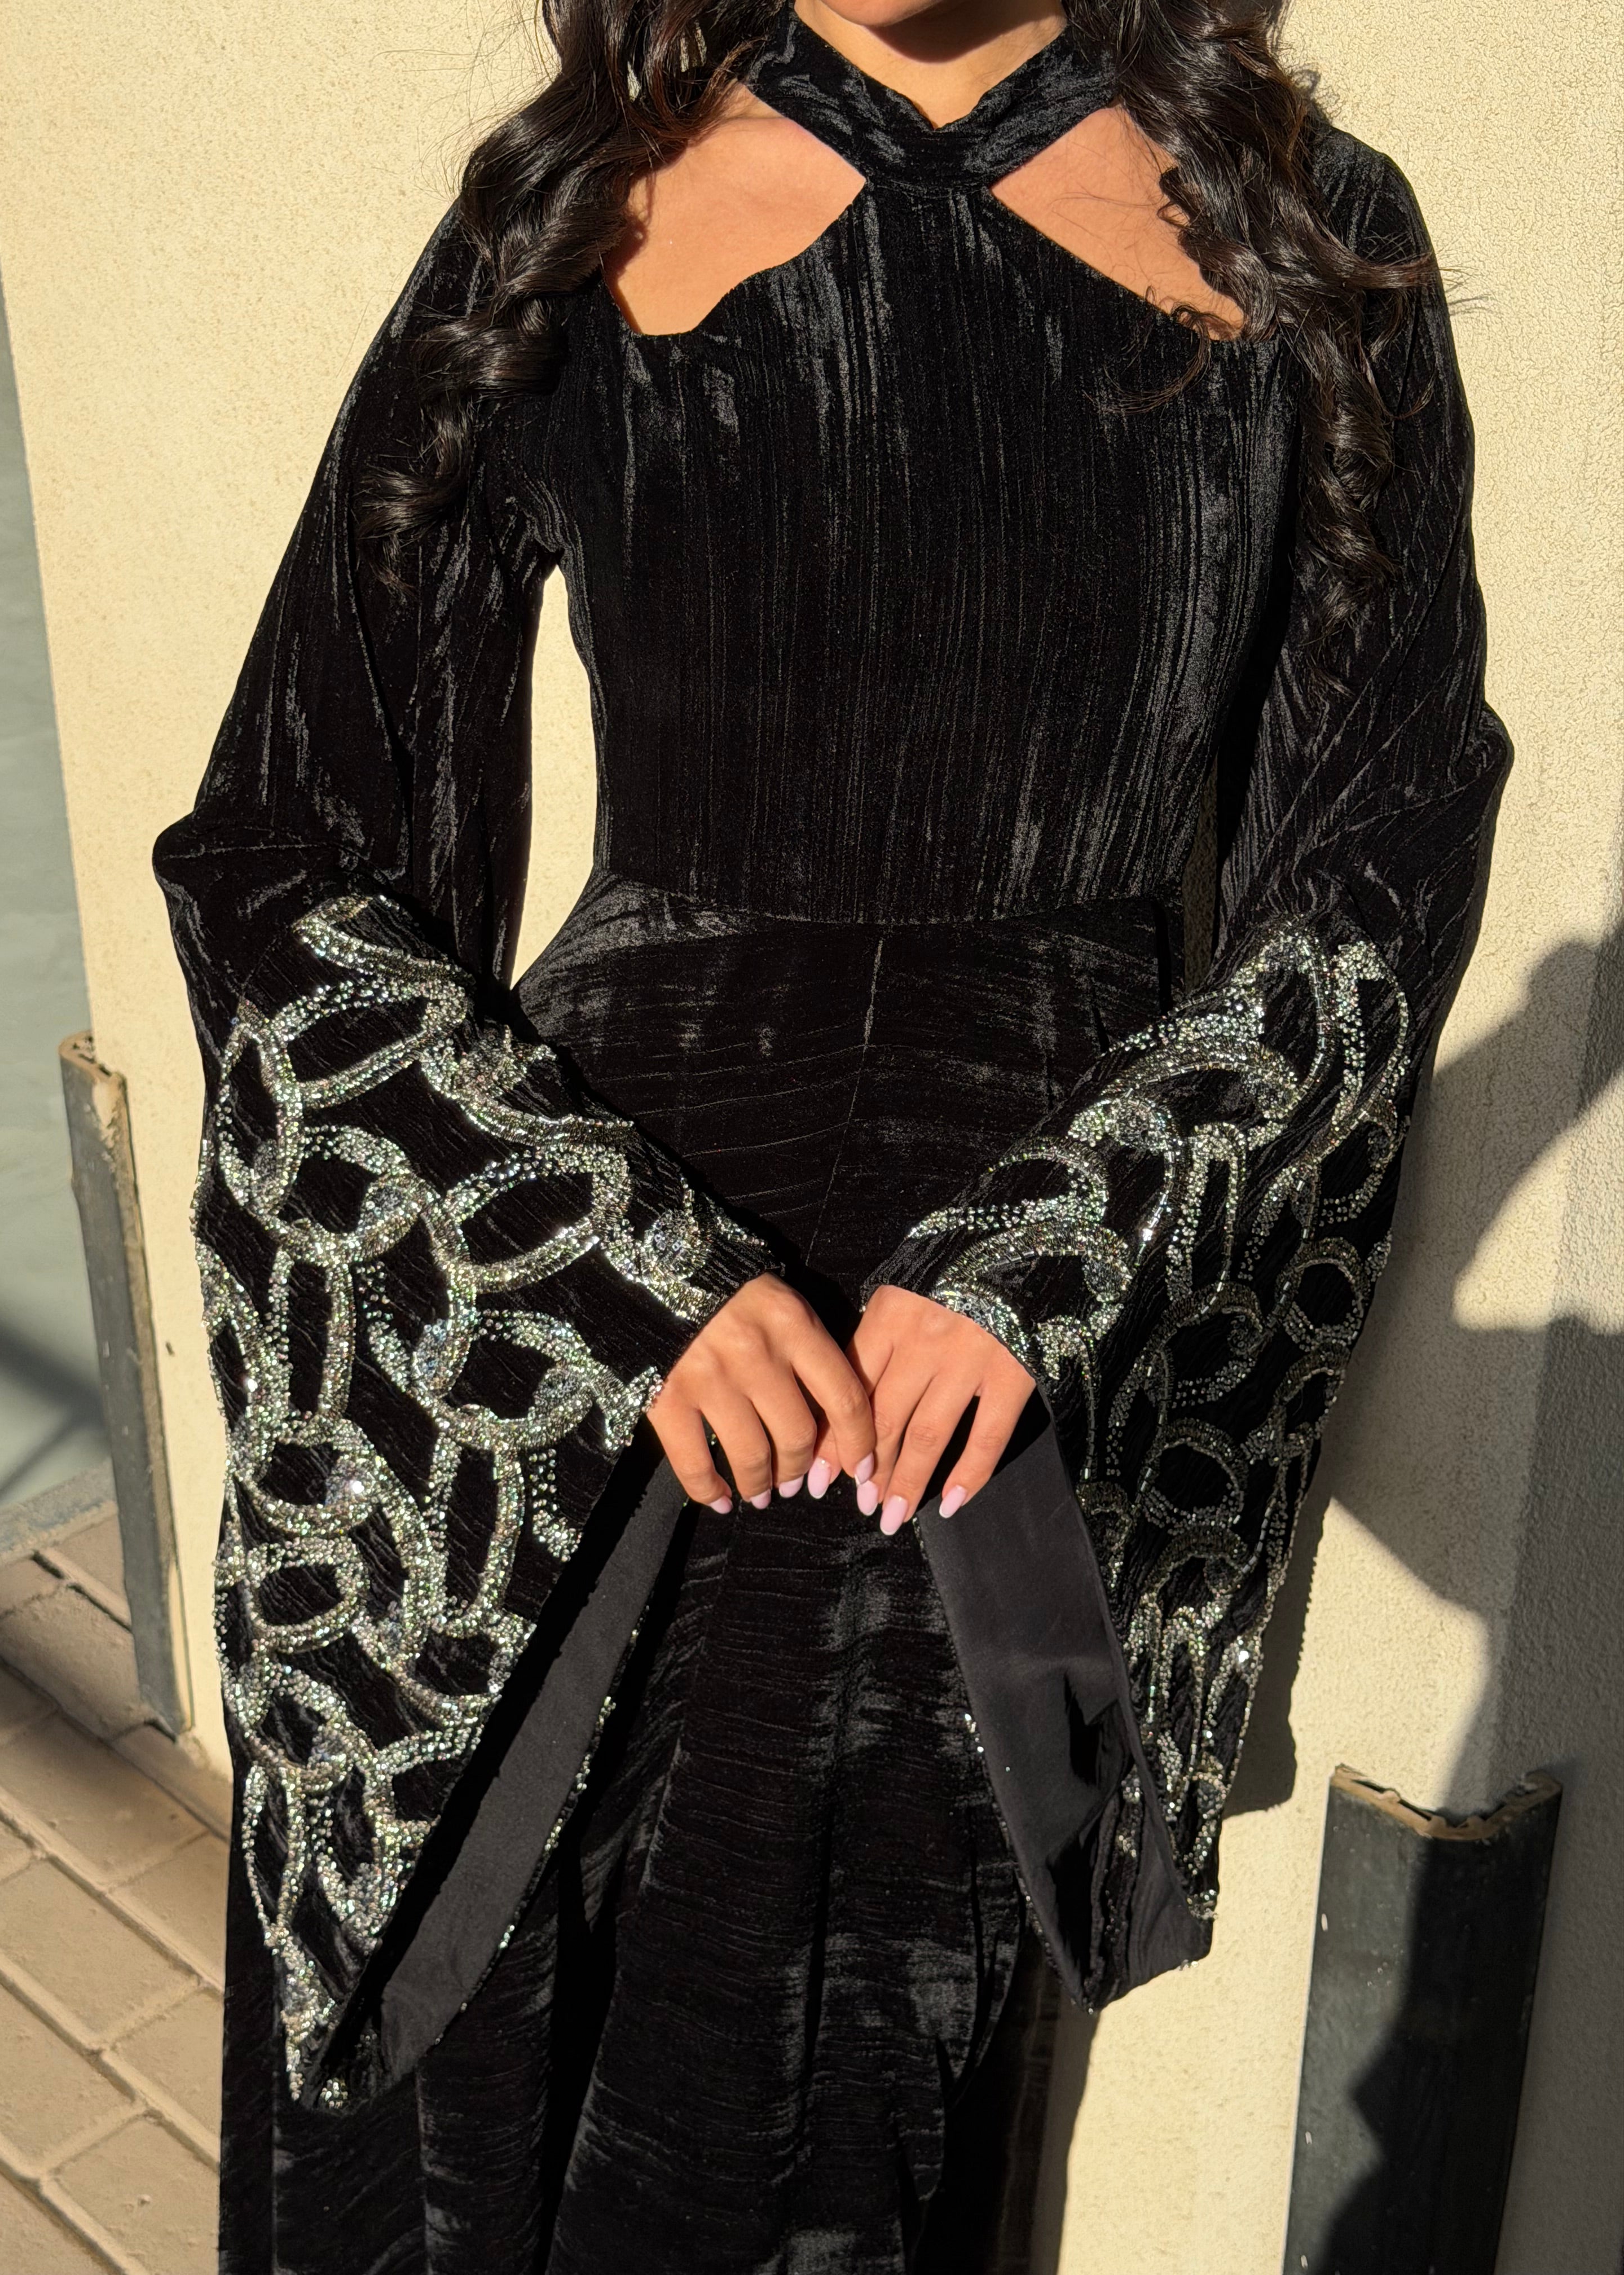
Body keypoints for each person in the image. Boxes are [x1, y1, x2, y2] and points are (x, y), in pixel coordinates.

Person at [153, 0, 1510, 2263]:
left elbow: (1378, 866)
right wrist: (595, 1268)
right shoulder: (573, 200)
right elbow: (287, 848)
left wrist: (1064, 1254)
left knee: (849, 2111)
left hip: (990, 1394)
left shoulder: (1304, 228)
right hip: (607, 1346)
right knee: (473, 2022)